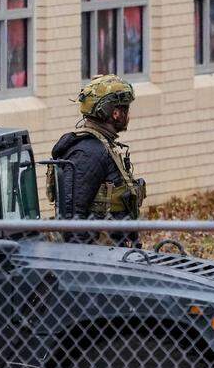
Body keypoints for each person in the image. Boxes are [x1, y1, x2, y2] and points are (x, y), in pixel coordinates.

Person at [48, 74, 145, 246]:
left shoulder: (101, 146)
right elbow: (73, 216)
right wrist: (86, 262)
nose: (129, 115)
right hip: (101, 260)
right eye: (126, 109)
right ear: (115, 113)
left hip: (114, 254)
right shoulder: (89, 154)